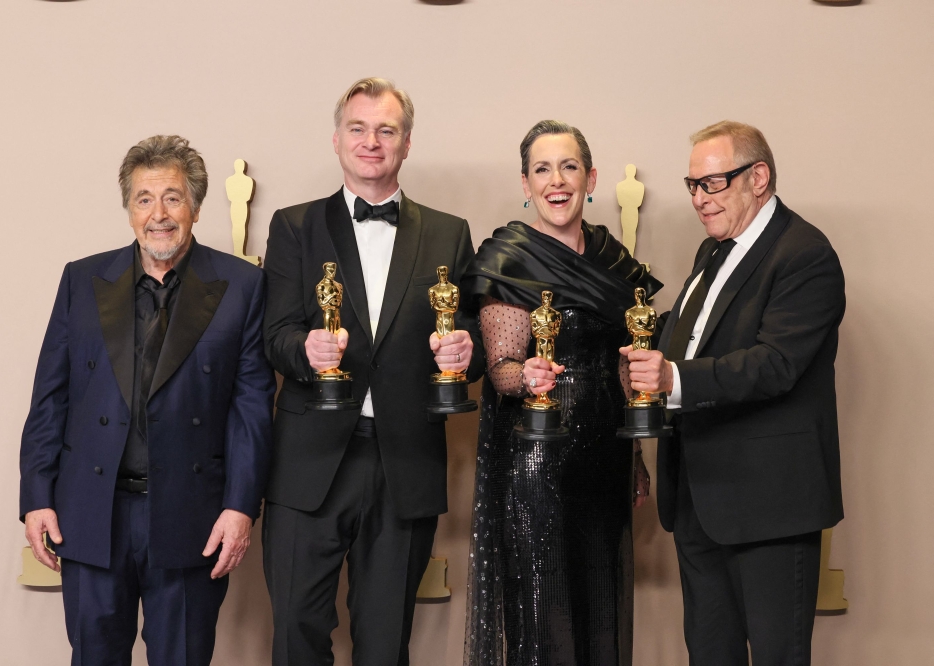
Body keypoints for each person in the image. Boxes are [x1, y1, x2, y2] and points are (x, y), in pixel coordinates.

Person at [19, 135, 275, 665]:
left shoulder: (242, 285)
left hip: (192, 515)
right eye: (143, 199)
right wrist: (37, 495)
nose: (158, 214)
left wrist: (240, 506)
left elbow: (251, 407)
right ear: (129, 209)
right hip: (91, 512)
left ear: (196, 207)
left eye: (173, 198)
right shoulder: (83, 280)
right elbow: (50, 397)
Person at [261, 77, 486, 666]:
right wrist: (304, 351)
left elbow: (472, 345)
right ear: (337, 140)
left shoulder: (448, 232)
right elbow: (273, 337)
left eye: (386, 130)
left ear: (406, 144)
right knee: (295, 638)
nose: (371, 142)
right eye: (358, 129)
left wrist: (467, 354)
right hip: (308, 464)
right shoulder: (293, 226)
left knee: (385, 645)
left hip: (404, 463)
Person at [622, 120, 845, 666]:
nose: (700, 198)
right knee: (709, 654)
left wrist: (674, 379)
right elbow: (688, 337)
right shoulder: (712, 251)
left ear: (759, 177)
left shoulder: (805, 253)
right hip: (700, 499)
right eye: (693, 185)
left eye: (713, 183)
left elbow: (777, 364)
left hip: (770, 505)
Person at [461, 120, 660, 666]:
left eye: (569, 166)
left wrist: (638, 457)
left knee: (602, 613)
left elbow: (626, 364)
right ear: (526, 185)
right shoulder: (509, 257)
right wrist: (524, 377)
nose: (557, 180)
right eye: (542, 169)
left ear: (590, 177)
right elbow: (500, 367)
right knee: (545, 620)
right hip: (535, 462)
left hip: (606, 463)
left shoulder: (615, 262)